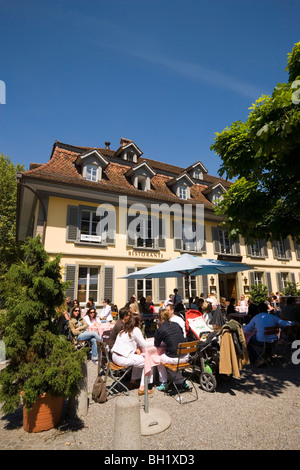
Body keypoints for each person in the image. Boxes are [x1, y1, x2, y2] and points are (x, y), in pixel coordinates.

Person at [111, 314, 153, 395]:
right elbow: (145, 345)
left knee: (138, 359)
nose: (141, 323)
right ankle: (143, 387)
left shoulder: (124, 329)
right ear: (137, 322)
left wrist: (137, 346)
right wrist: (156, 342)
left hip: (115, 356)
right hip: (122, 358)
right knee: (147, 362)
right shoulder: (135, 329)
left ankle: (132, 381)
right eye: (140, 321)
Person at [155, 309, 190, 391]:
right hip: (186, 356)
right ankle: (181, 381)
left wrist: (158, 328)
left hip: (176, 358)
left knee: (159, 359)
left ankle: (163, 382)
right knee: (172, 358)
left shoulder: (161, 329)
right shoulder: (176, 324)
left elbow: (156, 344)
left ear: (160, 318)